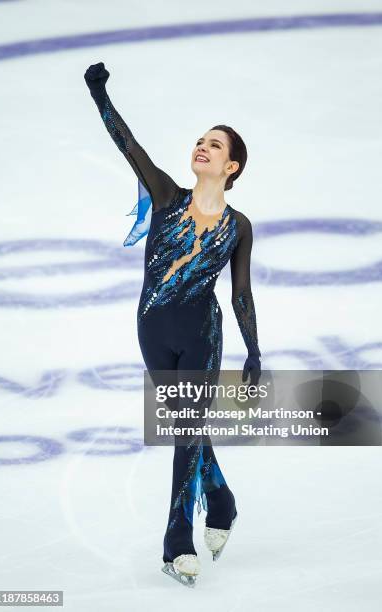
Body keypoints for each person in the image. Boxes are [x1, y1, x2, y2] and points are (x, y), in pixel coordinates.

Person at [84, 62, 262, 587]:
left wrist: (254, 352)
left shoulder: (238, 227)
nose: (202, 148)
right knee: (191, 431)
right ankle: (223, 500)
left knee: (185, 432)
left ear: (231, 168)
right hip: (152, 333)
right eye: (200, 141)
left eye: (215, 146)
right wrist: (99, 93)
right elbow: (127, 143)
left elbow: (241, 294)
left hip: (202, 336)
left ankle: (176, 539)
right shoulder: (165, 196)